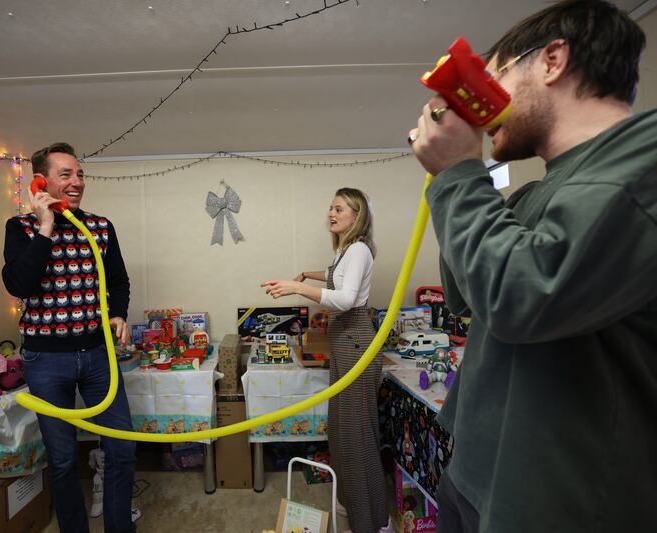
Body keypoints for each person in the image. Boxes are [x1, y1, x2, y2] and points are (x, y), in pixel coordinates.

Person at [407, 1, 656, 531]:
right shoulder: (545, 189)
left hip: (556, 501)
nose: (483, 105)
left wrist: (458, 175)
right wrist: (461, 176)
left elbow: (521, 296)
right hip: (479, 475)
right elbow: (466, 292)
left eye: (495, 76)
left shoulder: (644, 162)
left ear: (552, 60)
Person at [2, 142, 138, 533]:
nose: (77, 182)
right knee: (61, 458)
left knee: (122, 447)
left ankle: (119, 527)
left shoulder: (100, 226)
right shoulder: (21, 228)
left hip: (98, 354)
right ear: (41, 182)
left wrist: (117, 313)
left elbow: (119, 280)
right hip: (47, 360)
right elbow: (19, 284)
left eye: (80, 174)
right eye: (66, 175)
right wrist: (45, 225)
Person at [261, 188, 391, 533]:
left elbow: (347, 298)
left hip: (355, 340)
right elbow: (337, 275)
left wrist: (296, 288)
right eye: (330, 208)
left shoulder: (360, 249)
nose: (331, 213)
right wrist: (307, 274)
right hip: (344, 342)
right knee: (341, 431)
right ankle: (353, 504)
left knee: (357, 433)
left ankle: (375, 522)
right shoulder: (347, 251)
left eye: (338, 208)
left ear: (356, 214)